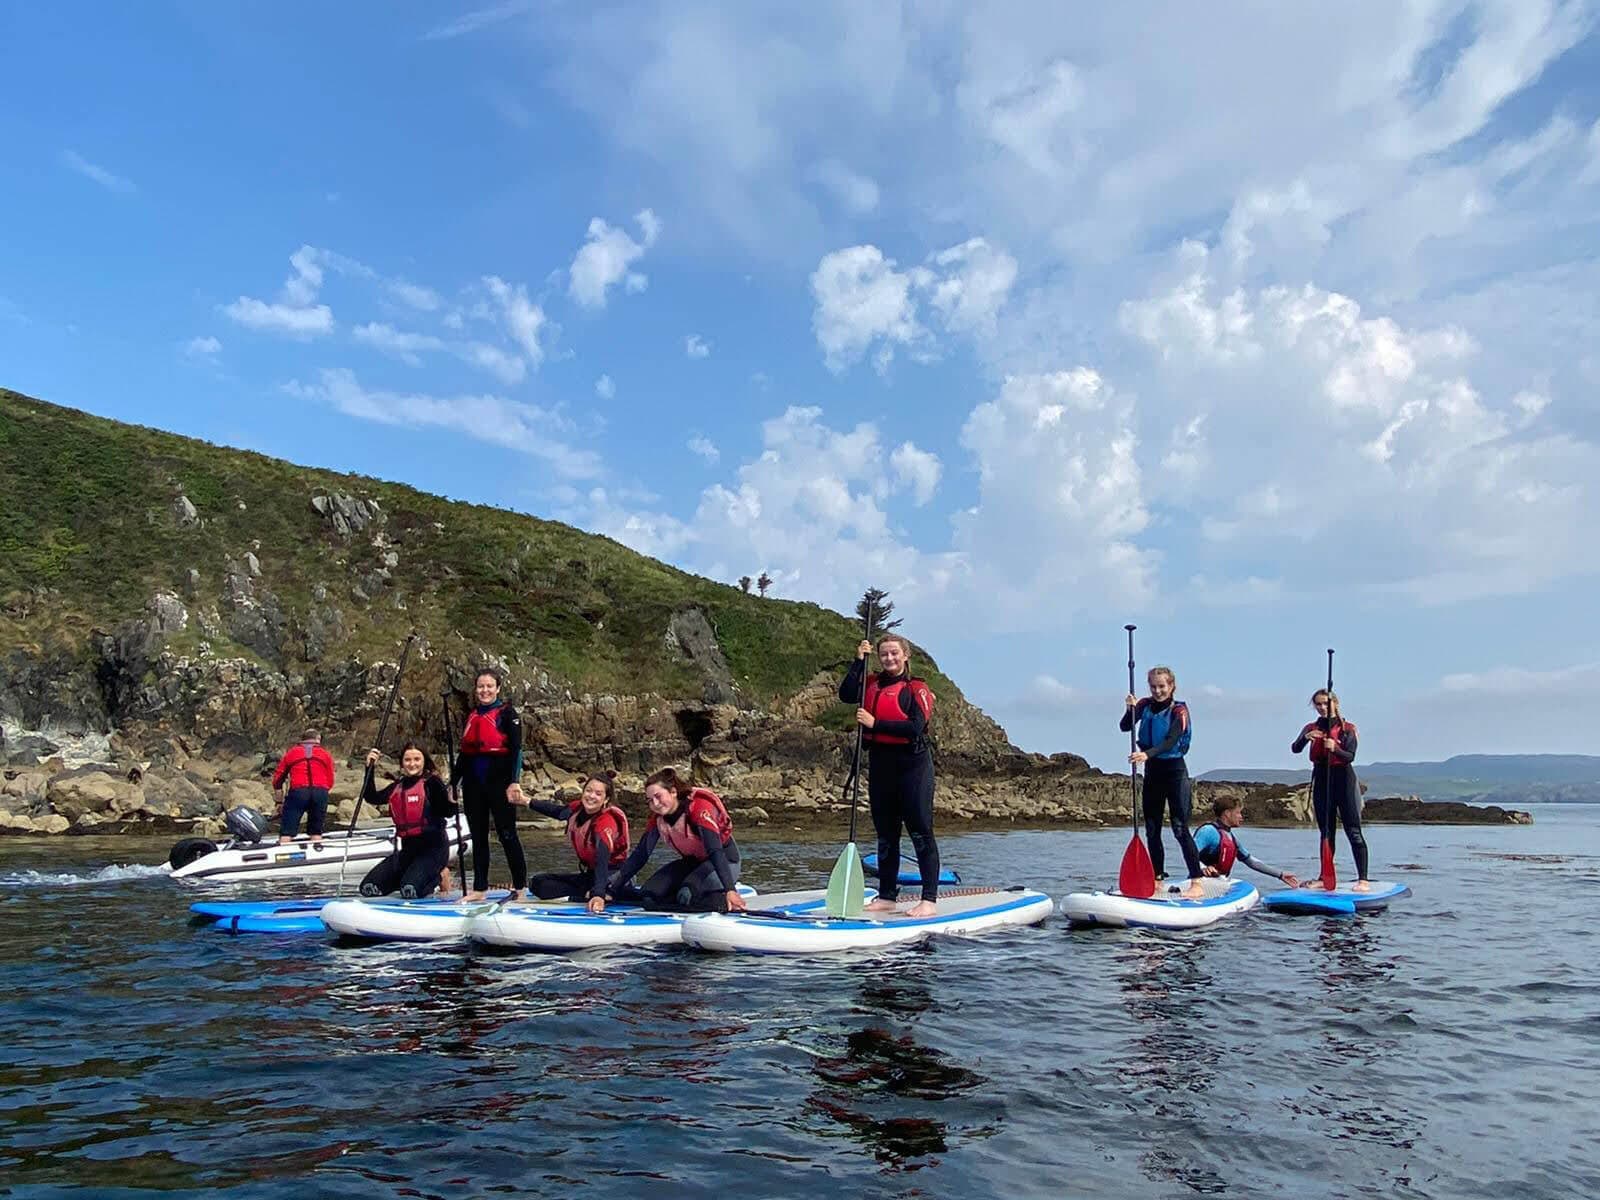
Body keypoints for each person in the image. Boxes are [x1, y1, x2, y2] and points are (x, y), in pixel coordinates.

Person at [840, 634, 940, 918]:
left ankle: (929, 900)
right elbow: (846, 694)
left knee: (920, 831)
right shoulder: (871, 683)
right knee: (886, 834)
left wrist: (875, 723)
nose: (889, 658)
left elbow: (916, 727)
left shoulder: (916, 688)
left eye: (894, 653)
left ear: (905, 655)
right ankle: (886, 896)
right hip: (882, 765)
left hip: (913, 766)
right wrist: (858, 662)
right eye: (884, 654)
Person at [606, 767, 746, 913]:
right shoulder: (658, 818)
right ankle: (678, 896)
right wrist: (612, 891)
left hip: (724, 861)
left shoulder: (698, 809)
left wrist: (730, 889)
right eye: (650, 800)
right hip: (692, 864)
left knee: (686, 894)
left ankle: (721, 899)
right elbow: (641, 855)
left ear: (673, 792)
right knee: (648, 896)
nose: (655, 804)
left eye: (658, 796)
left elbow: (715, 850)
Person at [1121, 667, 1204, 899]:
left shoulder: (1179, 710)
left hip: (1174, 772)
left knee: (1179, 828)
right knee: (1152, 829)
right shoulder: (1144, 705)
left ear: (1171, 686)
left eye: (1162, 686)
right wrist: (1129, 710)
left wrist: (1146, 754)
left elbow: (1171, 740)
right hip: (1152, 773)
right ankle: (1157, 879)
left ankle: (1197, 881)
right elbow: (1125, 726)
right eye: (1153, 686)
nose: (1157, 691)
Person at [453, 668, 528, 901]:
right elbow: (464, 755)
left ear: (497, 689)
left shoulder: (508, 714)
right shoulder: (472, 715)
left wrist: (514, 782)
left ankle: (520, 888)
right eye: (480, 686)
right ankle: (480, 889)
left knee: (507, 834)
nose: (484, 690)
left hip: (500, 783)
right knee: (478, 836)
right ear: (475, 689)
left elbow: (516, 750)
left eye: (489, 686)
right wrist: (453, 784)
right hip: (474, 785)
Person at [513, 773, 631, 913]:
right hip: (591, 875)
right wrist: (525, 800)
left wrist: (598, 895)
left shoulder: (606, 821)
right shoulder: (578, 808)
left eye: (598, 794)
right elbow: (558, 812)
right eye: (588, 791)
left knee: (600, 889)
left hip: (613, 876)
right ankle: (586, 893)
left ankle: (603, 893)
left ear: (606, 799)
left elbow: (602, 859)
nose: (591, 796)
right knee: (538, 883)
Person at [357, 742, 457, 899]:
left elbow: (447, 812)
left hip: (434, 850)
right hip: (408, 852)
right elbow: (372, 797)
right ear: (402, 763)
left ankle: (440, 875)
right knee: (369, 888)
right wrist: (370, 768)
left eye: (417, 759)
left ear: (424, 761)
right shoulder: (398, 786)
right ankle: (409, 878)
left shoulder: (432, 783)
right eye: (408, 760)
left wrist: (452, 800)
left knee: (410, 891)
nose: (412, 764)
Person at [1292, 689, 1369, 892]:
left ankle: (1363, 879)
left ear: (1335, 703)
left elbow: (1350, 756)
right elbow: (1295, 748)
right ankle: (1324, 876)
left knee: (1353, 831)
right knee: (1326, 832)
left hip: (1343, 779)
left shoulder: (1347, 729)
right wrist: (1306, 738)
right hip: (1322, 779)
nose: (1322, 707)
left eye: (1326, 703)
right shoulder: (1311, 728)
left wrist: (1334, 748)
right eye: (1318, 704)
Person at [1194, 795, 1301, 887]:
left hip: (1218, 885)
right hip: (1198, 884)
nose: (1241, 817)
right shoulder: (1208, 831)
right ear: (1227, 813)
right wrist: (1203, 868)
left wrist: (1280, 874)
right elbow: (1189, 853)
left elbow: (1251, 862)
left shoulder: (1231, 838)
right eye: (1238, 813)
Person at [271, 728, 336, 849]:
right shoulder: (325, 754)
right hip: (320, 792)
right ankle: (317, 848)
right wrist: (323, 792)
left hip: (298, 792)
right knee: (316, 830)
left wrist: (279, 802)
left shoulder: (292, 753)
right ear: (318, 739)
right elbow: (330, 780)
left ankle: (283, 850)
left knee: (287, 831)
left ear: (302, 739)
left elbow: (278, 780)